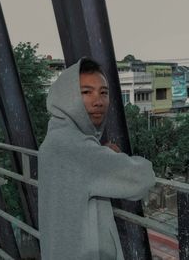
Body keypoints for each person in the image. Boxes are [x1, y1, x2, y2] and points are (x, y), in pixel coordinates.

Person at [38, 57, 155, 260]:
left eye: (103, 92)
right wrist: (111, 155)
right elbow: (143, 179)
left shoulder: (54, 139)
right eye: (86, 92)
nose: (98, 101)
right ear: (67, 97)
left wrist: (99, 152)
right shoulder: (77, 148)